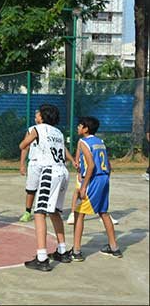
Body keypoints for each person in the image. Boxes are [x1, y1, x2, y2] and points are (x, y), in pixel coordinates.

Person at [19, 104, 71, 271]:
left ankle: (42, 258)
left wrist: (30, 137)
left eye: (38, 112)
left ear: (42, 116)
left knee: (39, 213)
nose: (36, 114)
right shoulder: (58, 132)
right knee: (54, 212)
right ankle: (62, 250)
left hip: (49, 172)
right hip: (62, 171)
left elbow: (22, 145)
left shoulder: (37, 128)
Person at [70, 116, 122, 261]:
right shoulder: (101, 142)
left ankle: (76, 251)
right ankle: (114, 247)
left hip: (93, 179)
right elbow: (108, 165)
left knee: (79, 213)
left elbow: (91, 165)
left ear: (86, 129)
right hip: (104, 178)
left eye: (80, 125)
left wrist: (84, 186)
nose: (78, 128)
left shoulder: (83, 142)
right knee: (103, 212)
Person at [66, 141, 118, 226]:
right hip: (84, 172)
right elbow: (78, 157)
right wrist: (78, 172)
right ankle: (72, 213)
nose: (78, 127)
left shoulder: (98, 142)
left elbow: (105, 159)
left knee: (98, 195)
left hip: (95, 174)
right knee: (78, 191)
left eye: (80, 126)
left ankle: (102, 214)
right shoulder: (82, 142)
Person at [18, 110, 42, 223]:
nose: (34, 118)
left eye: (36, 115)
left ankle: (43, 210)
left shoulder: (52, 131)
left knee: (45, 188)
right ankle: (28, 212)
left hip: (47, 164)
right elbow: (25, 147)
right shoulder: (31, 130)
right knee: (31, 190)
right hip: (34, 163)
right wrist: (22, 164)